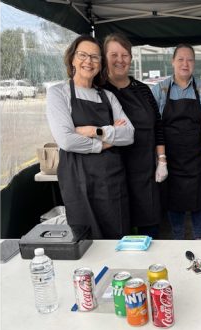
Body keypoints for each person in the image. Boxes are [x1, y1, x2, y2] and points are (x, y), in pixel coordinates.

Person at [46, 35, 135, 239]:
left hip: (112, 180)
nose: (89, 61)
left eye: (95, 57)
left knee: (117, 235)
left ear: (100, 63)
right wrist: (104, 144)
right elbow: (66, 140)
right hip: (77, 180)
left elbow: (129, 134)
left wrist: (95, 131)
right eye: (83, 55)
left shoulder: (107, 96)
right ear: (72, 59)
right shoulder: (58, 93)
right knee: (86, 239)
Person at [102, 33, 165, 239]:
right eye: (114, 54)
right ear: (104, 57)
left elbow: (158, 126)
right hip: (112, 173)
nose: (120, 60)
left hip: (145, 172)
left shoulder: (143, 90)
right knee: (119, 232)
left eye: (125, 54)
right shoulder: (98, 91)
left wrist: (162, 160)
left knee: (150, 232)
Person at [151, 44, 201, 240]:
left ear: (195, 63)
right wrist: (160, 160)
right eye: (181, 59)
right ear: (173, 62)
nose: (185, 64)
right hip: (170, 158)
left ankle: (199, 238)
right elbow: (154, 126)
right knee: (173, 200)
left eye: (190, 60)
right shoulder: (159, 89)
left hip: (197, 157)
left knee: (199, 199)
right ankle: (177, 237)